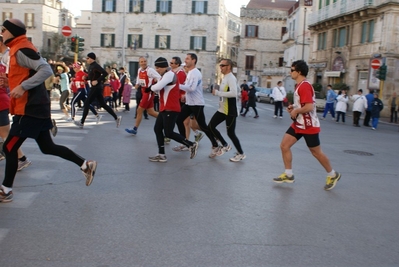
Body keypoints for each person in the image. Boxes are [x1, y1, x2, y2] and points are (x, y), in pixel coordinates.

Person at [0, 19, 97, 203]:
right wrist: (11, 83)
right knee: (47, 147)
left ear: (12, 32)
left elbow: (45, 70)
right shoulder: (19, 47)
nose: (2, 33)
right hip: (36, 106)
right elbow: (27, 73)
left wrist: (22, 87)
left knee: (9, 147)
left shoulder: (21, 49)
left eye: (3, 30)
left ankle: (6, 190)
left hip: (30, 108)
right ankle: (86, 165)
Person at [273, 60, 341, 191]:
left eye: (292, 70)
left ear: (299, 72)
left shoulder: (304, 86)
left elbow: (309, 107)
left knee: (316, 152)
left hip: (309, 125)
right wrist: (294, 107)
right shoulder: (299, 85)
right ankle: (288, 174)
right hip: (299, 123)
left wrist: (296, 110)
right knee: (284, 145)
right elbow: (304, 104)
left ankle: (333, 174)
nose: (290, 72)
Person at [147, 57, 198, 162]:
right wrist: (154, 86)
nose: (157, 70)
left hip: (171, 108)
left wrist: (151, 88)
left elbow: (157, 87)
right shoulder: (165, 75)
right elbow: (159, 89)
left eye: (158, 68)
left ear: (164, 67)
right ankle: (161, 154)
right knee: (157, 129)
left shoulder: (169, 75)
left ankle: (191, 144)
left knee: (169, 133)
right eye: (156, 68)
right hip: (165, 108)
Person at [175, 53, 220, 157]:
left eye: (187, 59)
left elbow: (191, 88)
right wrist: (185, 95)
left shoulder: (195, 73)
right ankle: (185, 142)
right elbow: (188, 87)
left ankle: (215, 144)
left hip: (197, 104)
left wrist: (177, 86)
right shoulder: (190, 72)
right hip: (190, 103)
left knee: (203, 126)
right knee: (179, 119)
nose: (185, 61)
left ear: (193, 60)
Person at [0, 34, 31, 170]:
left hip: (2, 101)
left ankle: (20, 159)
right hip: (5, 100)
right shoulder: (4, 60)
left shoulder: (8, 57)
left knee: (6, 134)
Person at [209, 59, 246, 162]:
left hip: (230, 110)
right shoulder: (225, 77)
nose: (221, 67)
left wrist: (217, 93)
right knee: (211, 126)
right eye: (220, 65)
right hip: (222, 109)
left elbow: (233, 93)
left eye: (223, 65)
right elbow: (234, 90)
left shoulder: (231, 78)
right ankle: (225, 144)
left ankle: (241, 153)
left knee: (231, 133)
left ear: (229, 67)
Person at [74, 52, 122, 129]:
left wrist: (97, 80)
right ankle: (116, 118)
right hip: (95, 87)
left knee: (86, 103)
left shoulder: (96, 66)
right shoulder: (90, 66)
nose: (87, 59)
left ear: (92, 58)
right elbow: (92, 76)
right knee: (103, 104)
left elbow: (105, 73)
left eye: (88, 58)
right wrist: (86, 78)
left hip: (96, 87)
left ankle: (82, 122)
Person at [125, 56, 160, 135]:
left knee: (139, 110)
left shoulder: (150, 70)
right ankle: (166, 119)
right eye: (142, 62)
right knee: (151, 112)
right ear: (139, 63)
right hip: (143, 92)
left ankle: (135, 129)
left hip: (149, 93)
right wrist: (137, 84)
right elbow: (139, 78)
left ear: (146, 62)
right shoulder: (139, 70)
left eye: (144, 61)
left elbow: (159, 77)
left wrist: (154, 85)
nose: (143, 63)